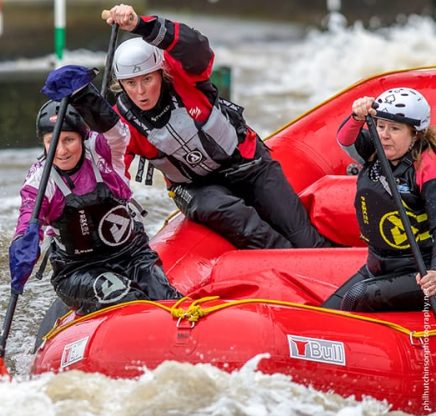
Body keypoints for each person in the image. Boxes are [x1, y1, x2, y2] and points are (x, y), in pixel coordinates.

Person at [42, 4, 330, 250]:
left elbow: (197, 46)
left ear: (160, 72)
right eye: (131, 83)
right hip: (197, 189)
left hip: (249, 167)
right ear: (121, 84)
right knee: (228, 212)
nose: (141, 92)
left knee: (303, 236)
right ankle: (281, 259)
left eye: (147, 80)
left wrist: (140, 25)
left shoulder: (185, 78)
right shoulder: (121, 122)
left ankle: (319, 261)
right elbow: (114, 172)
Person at [9, 98, 182, 317]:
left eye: (69, 140)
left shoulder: (103, 152)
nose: (61, 151)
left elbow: (117, 132)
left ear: (83, 137)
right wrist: (24, 241)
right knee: (129, 300)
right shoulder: (41, 182)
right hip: (78, 270)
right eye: (52, 142)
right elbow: (27, 217)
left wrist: (85, 95)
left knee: (168, 299)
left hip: (132, 255)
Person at [323, 87, 436, 311]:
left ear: (415, 134)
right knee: (328, 311)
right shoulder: (375, 148)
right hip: (378, 265)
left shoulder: (428, 167)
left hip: (419, 272)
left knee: (357, 297)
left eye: (394, 128)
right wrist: (357, 117)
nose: (384, 134)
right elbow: (345, 140)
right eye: (381, 125)